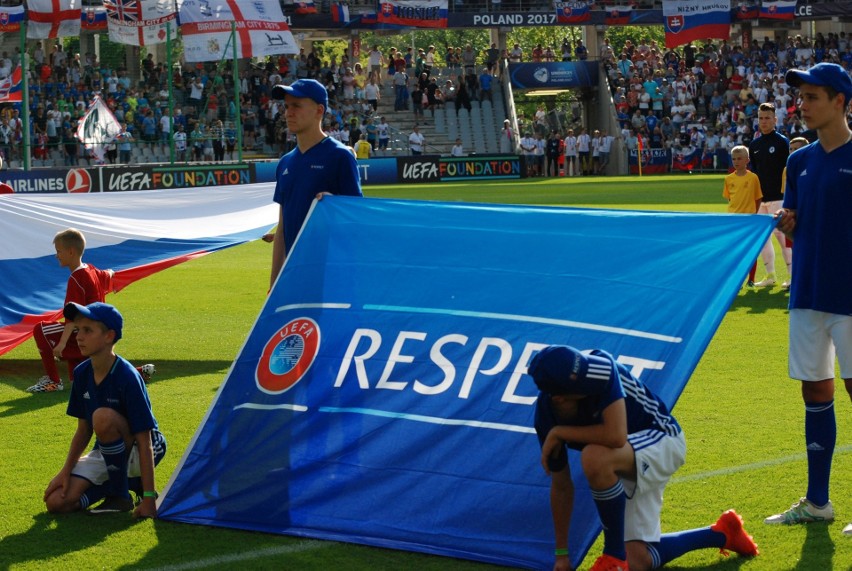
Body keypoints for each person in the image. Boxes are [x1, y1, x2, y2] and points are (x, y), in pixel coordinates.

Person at [530, 345, 759, 571]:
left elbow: (616, 435)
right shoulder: (546, 418)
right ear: (559, 398)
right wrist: (561, 555)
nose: (589, 377)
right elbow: (561, 487)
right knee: (638, 562)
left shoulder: (600, 368)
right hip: (625, 460)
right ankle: (722, 534)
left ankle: (613, 557)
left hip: (663, 441)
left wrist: (561, 433)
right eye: (581, 380)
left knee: (594, 456)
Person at [769, 63, 852, 538]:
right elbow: (798, 216)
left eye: (813, 96)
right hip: (807, 293)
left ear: (840, 101)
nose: (802, 104)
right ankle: (818, 502)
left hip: (849, 296)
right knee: (814, 392)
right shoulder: (798, 162)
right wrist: (789, 220)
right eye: (800, 96)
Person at [43, 302, 166, 516]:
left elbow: (145, 439)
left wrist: (149, 497)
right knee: (56, 502)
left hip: (145, 448)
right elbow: (83, 430)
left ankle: (121, 496)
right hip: (109, 450)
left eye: (87, 330)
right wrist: (65, 471)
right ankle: (123, 485)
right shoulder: (82, 373)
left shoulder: (127, 376)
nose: (79, 337)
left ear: (109, 336)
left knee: (102, 416)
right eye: (77, 329)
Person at [27, 229, 154, 393]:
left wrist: (62, 344)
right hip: (99, 333)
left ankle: (53, 381)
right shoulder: (91, 269)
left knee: (40, 330)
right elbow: (107, 274)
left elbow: (71, 317)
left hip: (85, 333)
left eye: (59, 251)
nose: (56, 255)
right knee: (84, 379)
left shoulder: (76, 279)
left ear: (71, 252)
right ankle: (137, 373)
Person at [269, 79, 362, 289]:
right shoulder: (285, 162)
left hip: (332, 279)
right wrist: (274, 286)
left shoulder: (339, 157)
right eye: (287, 106)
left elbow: (355, 221)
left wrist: (335, 206)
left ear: (319, 110)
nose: (288, 112)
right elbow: (282, 230)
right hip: (294, 280)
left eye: (297, 105)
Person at [749, 102, 791, 288]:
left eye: (767, 118)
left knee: (783, 239)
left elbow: (788, 171)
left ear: (775, 119)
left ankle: (792, 276)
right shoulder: (754, 144)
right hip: (761, 200)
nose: (764, 121)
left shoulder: (782, 142)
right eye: (761, 118)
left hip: (779, 197)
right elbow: (755, 173)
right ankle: (770, 275)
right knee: (763, 239)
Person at [723, 146, 763, 288]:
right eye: (734, 159)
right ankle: (736, 279)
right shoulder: (728, 179)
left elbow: (758, 198)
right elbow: (730, 199)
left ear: (747, 160)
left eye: (739, 158)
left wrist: (754, 214)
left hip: (749, 220)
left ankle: (751, 279)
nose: (736, 161)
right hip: (733, 220)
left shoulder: (753, 178)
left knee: (751, 250)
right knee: (735, 251)